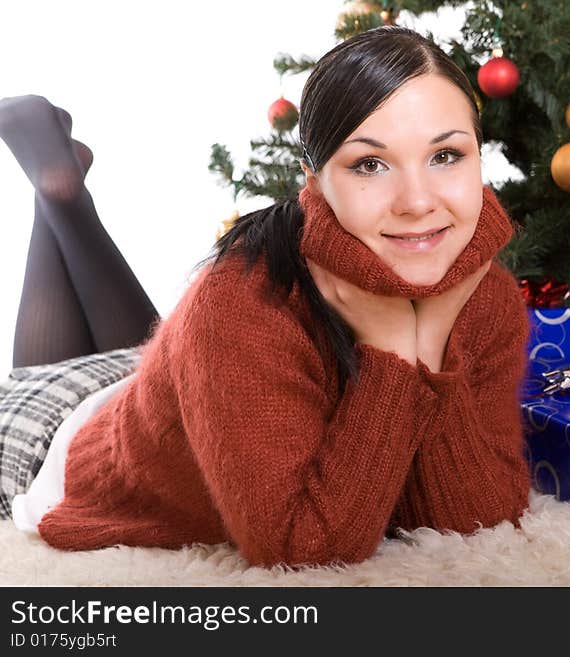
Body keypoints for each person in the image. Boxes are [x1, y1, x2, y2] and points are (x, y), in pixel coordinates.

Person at [0, 25, 531, 568]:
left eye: (446, 155)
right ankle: (59, 191)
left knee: (149, 363)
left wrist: (433, 337)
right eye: (369, 163)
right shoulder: (240, 302)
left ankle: (62, 189)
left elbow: (476, 522)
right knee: (46, 374)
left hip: (168, 394)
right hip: (63, 444)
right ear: (314, 180)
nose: (418, 202)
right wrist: (394, 350)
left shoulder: (481, 292)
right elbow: (303, 549)